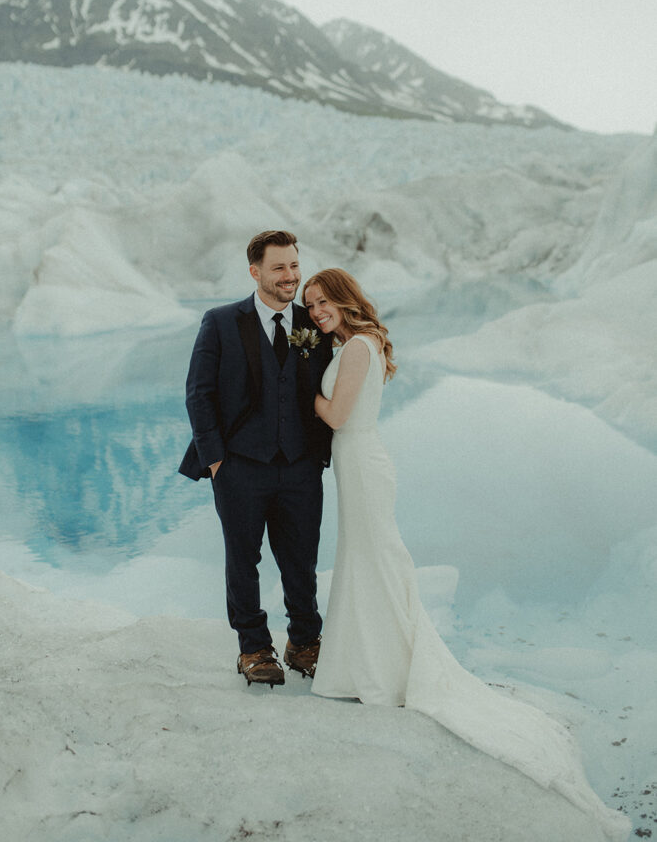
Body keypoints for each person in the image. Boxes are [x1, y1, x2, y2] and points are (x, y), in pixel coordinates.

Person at [302, 267, 629, 842]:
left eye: (323, 300)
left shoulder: (355, 346)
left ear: (345, 299)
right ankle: (368, 663)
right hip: (359, 463)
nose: (316, 310)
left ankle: (384, 670)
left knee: (376, 562)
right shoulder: (361, 342)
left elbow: (337, 415)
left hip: (361, 459)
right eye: (311, 305)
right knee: (367, 562)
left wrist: (302, 385)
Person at [179, 231, 332, 686]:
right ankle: (253, 647)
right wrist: (215, 461)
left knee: (301, 559)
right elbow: (198, 393)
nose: (290, 276)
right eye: (279, 268)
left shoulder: (313, 324)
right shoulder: (222, 321)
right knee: (243, 559)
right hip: (240, 465)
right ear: (256, 272)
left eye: (294, 266)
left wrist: (318, 457)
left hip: (301, 466)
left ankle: (304, 642)